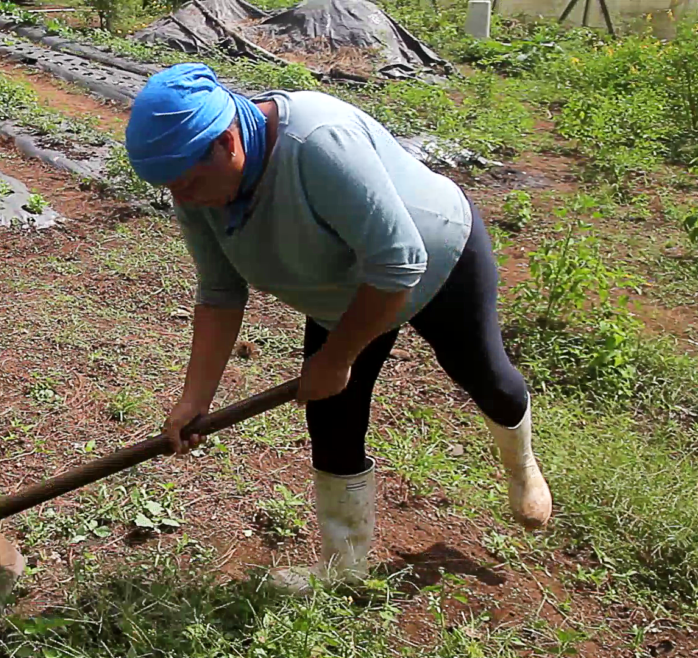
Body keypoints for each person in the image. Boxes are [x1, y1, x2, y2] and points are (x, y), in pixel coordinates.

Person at [124, 63, 552, 592]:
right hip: (344, 294)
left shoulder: (317, 142)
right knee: (332, 420)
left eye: (189, 183)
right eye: (172, 187)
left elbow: (397, 264)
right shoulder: (194, 183)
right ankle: (345, 570)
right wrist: (195, 397)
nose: (183, 199)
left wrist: (335, 358)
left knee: (484, 374)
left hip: (437, 257)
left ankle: (521, 464)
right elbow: (219, 292)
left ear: (229, 141)